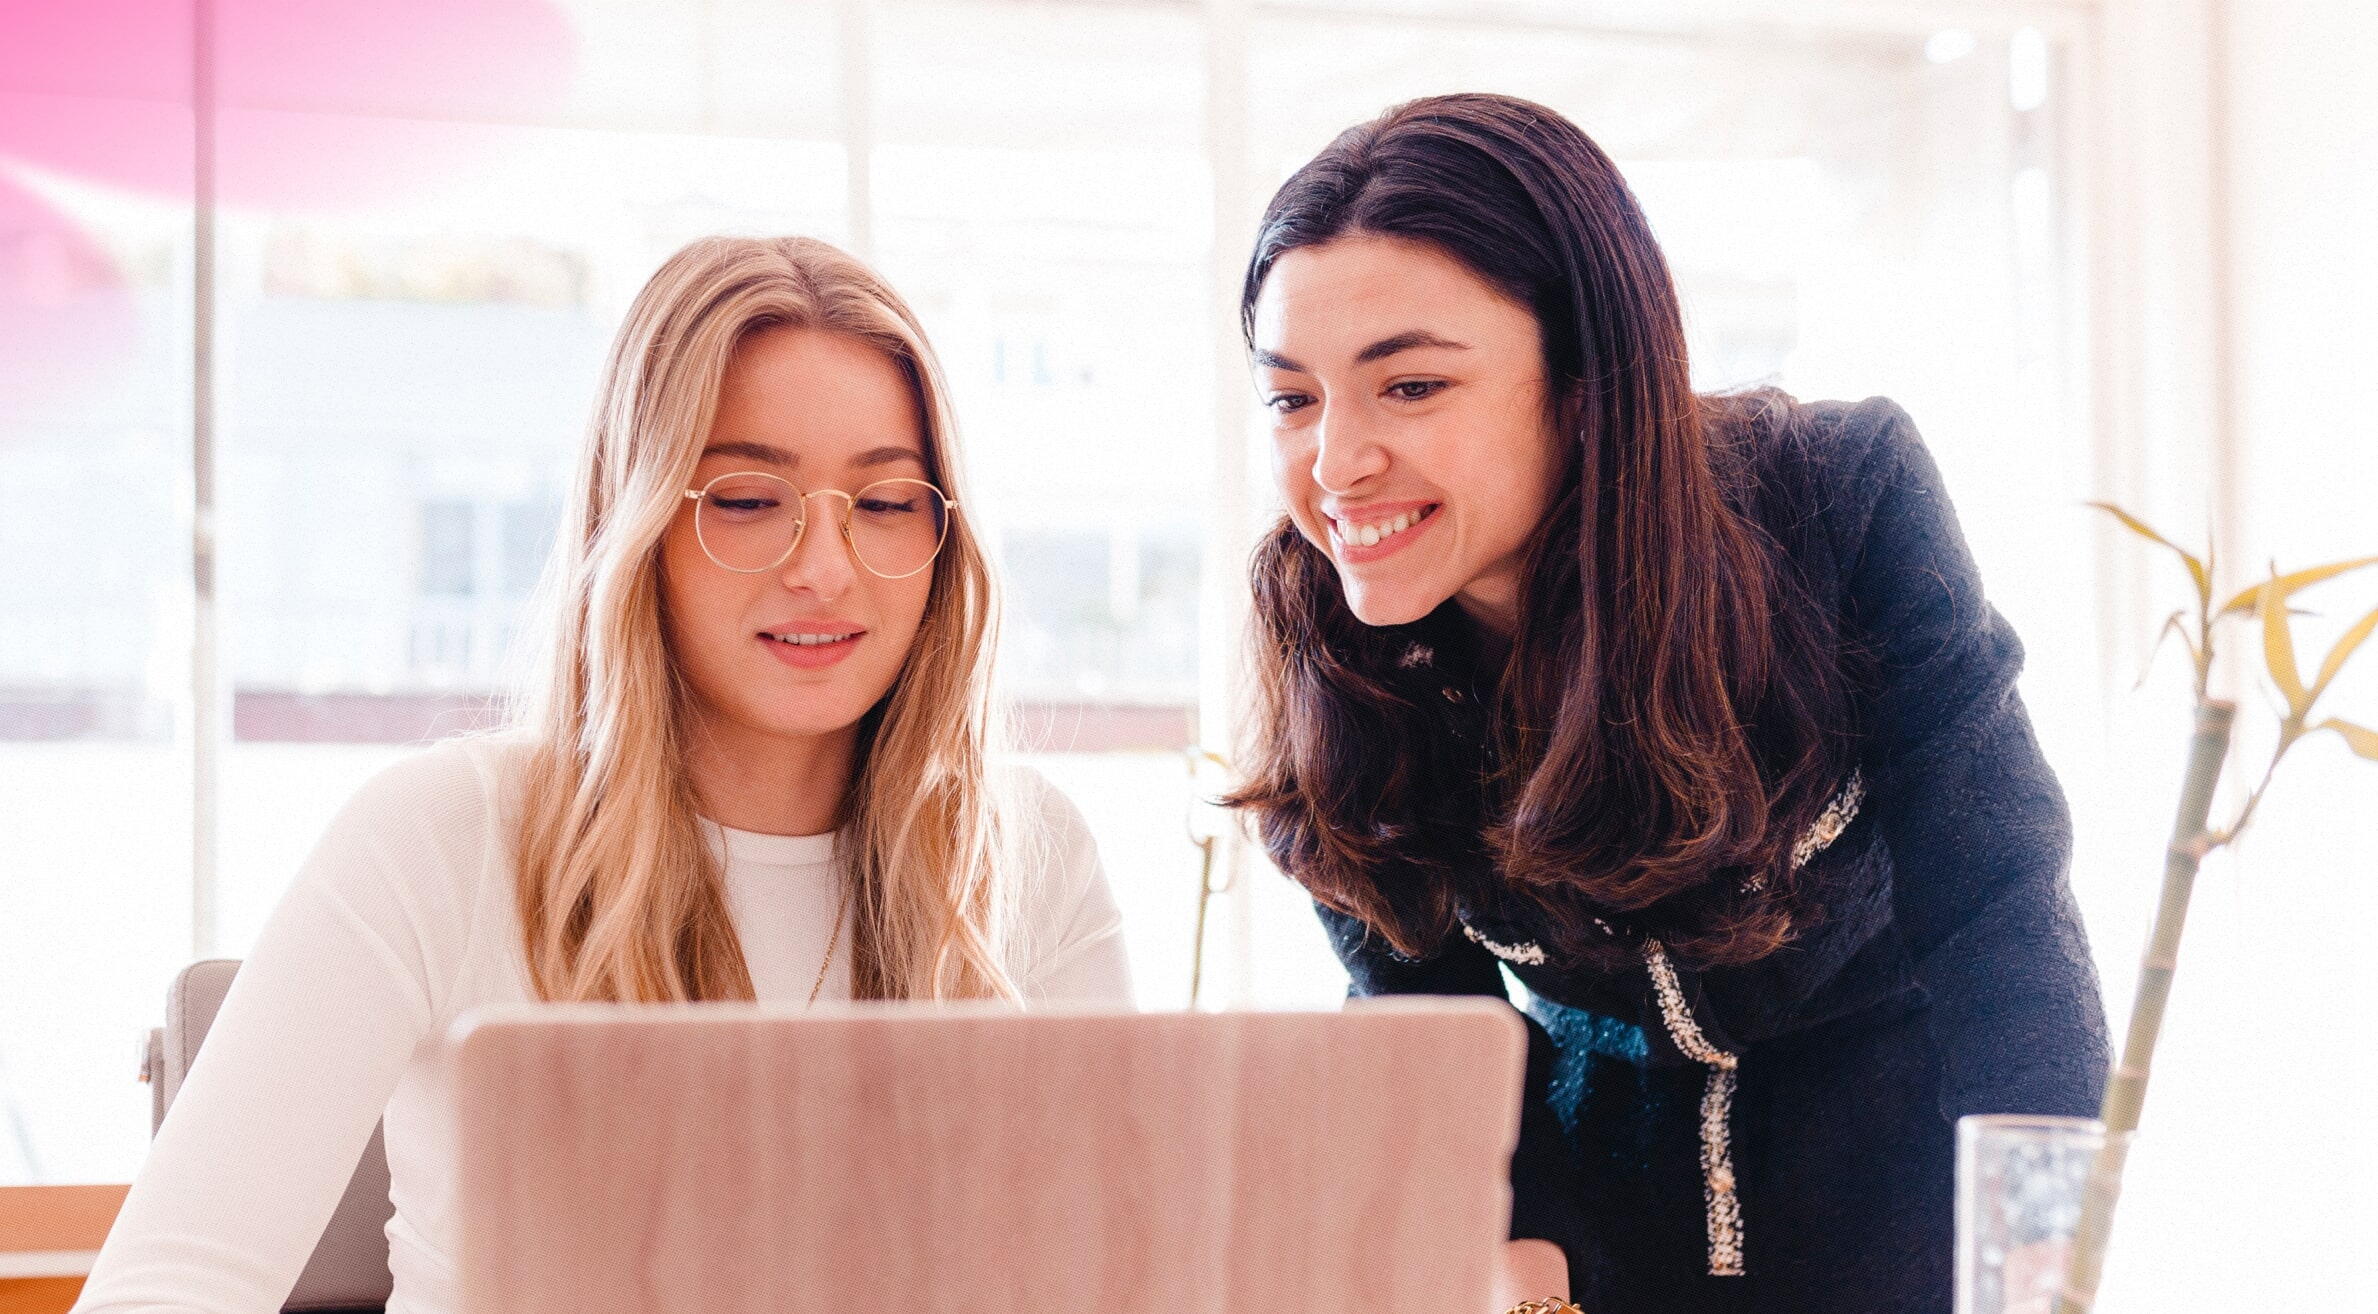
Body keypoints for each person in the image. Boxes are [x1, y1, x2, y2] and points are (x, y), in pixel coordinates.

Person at [77, 235, 1133, 1314]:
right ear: (637, 523)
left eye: (885, 504)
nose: (825, 569)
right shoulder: (443, 833)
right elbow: (165, 1286)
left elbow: (1121, 1284)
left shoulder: (1025, 857)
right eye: (746, 499)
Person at [1227, 94, 2108, 1314]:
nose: (1334, 466)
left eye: (1411, 386)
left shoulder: (1838, 504)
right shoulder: (1327, 640)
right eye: (1291, 398)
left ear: (1586, 381)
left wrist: (2034, 1277)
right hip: (1597, 1221)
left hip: (1902, 1191)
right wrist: (1531, 1291)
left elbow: (1999, 915)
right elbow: (1432, 1047)